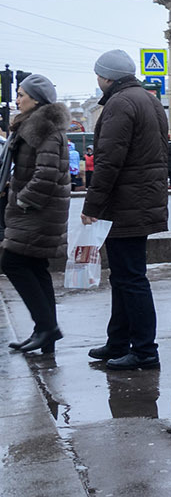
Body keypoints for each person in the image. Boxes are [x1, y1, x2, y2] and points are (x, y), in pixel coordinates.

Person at [83, 50, 170, 371]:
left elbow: (109, 161)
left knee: (131, 279)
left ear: (107, 77)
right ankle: (118, 342)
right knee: (123, 277)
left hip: (126, 204)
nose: (97, 80)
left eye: (98, 75)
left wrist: (92, 205)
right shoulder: (149, 100)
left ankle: (145, 352)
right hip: (141, 200)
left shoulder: (120, 104)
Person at [2, 75, 71, 356]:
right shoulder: (33, 125)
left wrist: (22, 200)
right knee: (36, 268)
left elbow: (47, 173)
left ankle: (47, 327)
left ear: (36, 99)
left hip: (38, 211)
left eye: (21, 94)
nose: (17, 99)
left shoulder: (43, 128)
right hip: (39, 209)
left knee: (13, 262)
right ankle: (45, 333)